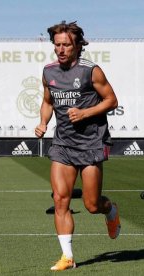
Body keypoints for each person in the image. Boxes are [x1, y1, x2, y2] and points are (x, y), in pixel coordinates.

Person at [35, 21, 121, 271]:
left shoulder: (91, 71)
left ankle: (111, 210)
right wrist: (42, 122)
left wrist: (85, 113)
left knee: (92, 204)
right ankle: (67, 257)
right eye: (57, 45)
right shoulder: (48, 72)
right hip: (62, 144)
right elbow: (47, 101)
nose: (60, 50)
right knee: (61, 199)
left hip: (92, 143)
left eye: (65, 45)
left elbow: (111, 101)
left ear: (77, 46)